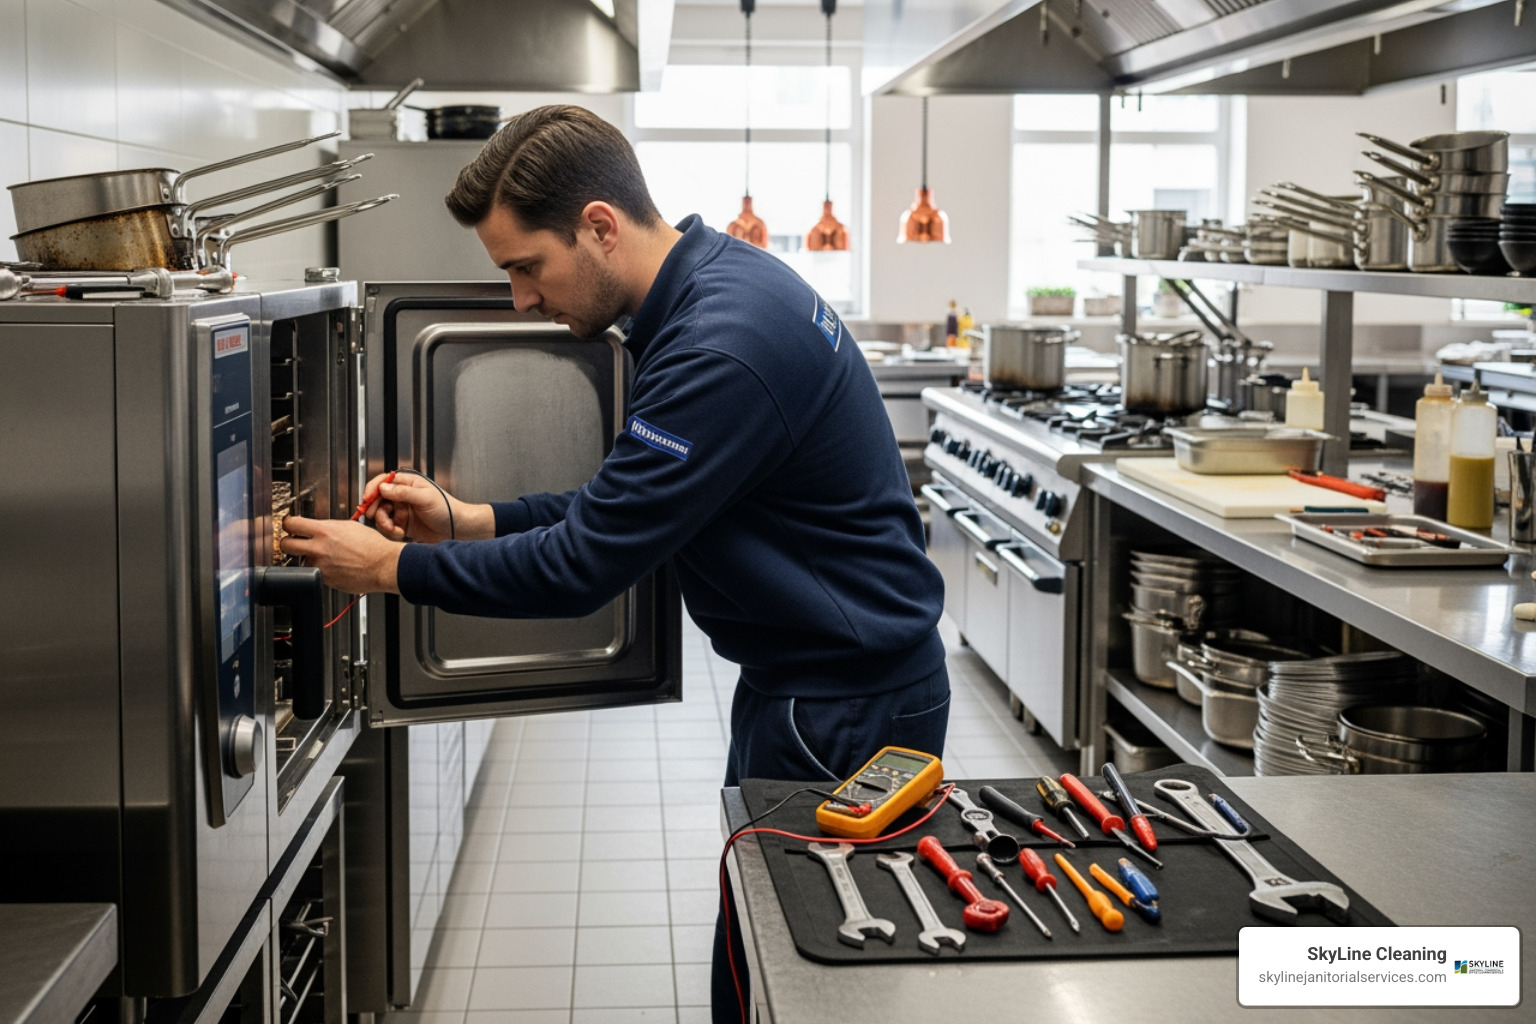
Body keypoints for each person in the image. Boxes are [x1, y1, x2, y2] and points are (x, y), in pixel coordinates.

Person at [278, 104, 948, 1023]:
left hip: (840, 706)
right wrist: (471, 519)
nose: (519, 300)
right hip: (817, 684)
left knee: (795, 981)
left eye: (525, 268)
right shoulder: (712, 291)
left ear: (598, 225)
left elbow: (585, 565)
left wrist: (388, 571)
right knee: (772, 959)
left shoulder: (721, 345)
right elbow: (630, 511)